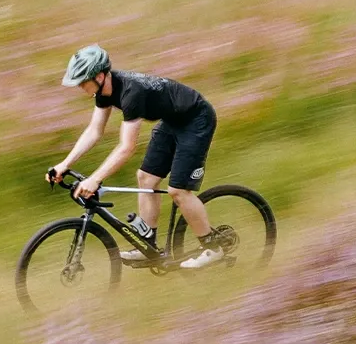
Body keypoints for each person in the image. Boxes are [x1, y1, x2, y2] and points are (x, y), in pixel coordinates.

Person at [45, 45, 226, 269]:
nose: (81, 87)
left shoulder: (132, 93)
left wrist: (95, 179)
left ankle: (212, 246)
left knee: (178, 191)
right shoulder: (103, 92)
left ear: (100, 76)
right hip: (172, 121)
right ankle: (148, 244)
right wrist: (64, 164)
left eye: (83, 81)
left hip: (196, 120)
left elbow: (126, 147)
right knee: (145, 178)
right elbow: (94, 131)